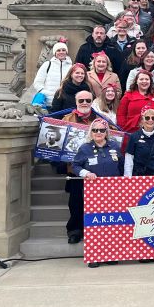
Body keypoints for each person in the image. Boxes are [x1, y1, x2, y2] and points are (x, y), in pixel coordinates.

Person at [71, 118, 124, 267]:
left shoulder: (115, 146)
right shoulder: (84, 148)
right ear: (91, 132)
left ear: (106, 132)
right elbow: (75, 165)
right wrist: (85, 173)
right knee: (94, 224)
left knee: (112, 223)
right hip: (93, 193)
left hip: (113, 191)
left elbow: (121, 166)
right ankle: (95, 256)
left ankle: (111, 254)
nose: (98, 133)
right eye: (95, 130)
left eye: (102, 130)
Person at [61, 90, 100, 244]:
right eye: (81, 100)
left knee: (96, 204)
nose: (84, 103)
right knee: (76, 202)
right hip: (75, 169)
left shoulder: (99, 119)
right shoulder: (66, 119)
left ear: (92, 101)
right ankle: (75, 231)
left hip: (96, 171)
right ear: (76, 101)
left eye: (88, 100)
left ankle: (96, 231)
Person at [124, 106, 154, 176]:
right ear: (142, 119)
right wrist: (128, 178)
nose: (150, 120)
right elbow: (129, 160)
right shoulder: (134, 137)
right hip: (141, 177)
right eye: (147, 117)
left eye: (153, 118)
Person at [32, 40, 72, 107]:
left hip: (64, 102)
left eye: (63, 50)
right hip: (47, 101)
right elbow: (38, 82)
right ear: (55, 53)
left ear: (66, 52)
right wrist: (44, 92)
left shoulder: (71, 67)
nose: (61, 52)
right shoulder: (47, 64)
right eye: (58, 50)